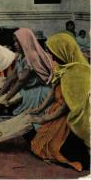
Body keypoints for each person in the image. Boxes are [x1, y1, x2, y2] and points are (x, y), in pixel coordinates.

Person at [27, 33, 90, 171]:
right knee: (36, 140)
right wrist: (39, 109)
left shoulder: (78, 71)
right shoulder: (62, 68)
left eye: (55, 54)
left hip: (73, 118)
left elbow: (68, 106)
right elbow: (53, 92)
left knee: (58, 149)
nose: (53, 58)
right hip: (57, 111)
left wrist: (45, 118)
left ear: (64, 50)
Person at [0, 28, 53, 117]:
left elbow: (21, 81)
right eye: (14, 41)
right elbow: (12, 77)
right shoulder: (22, 56)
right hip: (27, 89)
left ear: (25, 41)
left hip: (37, 92)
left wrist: (6, 99)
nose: (15, 44)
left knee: (24, 116)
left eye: (18, 41)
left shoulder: (32, 57)